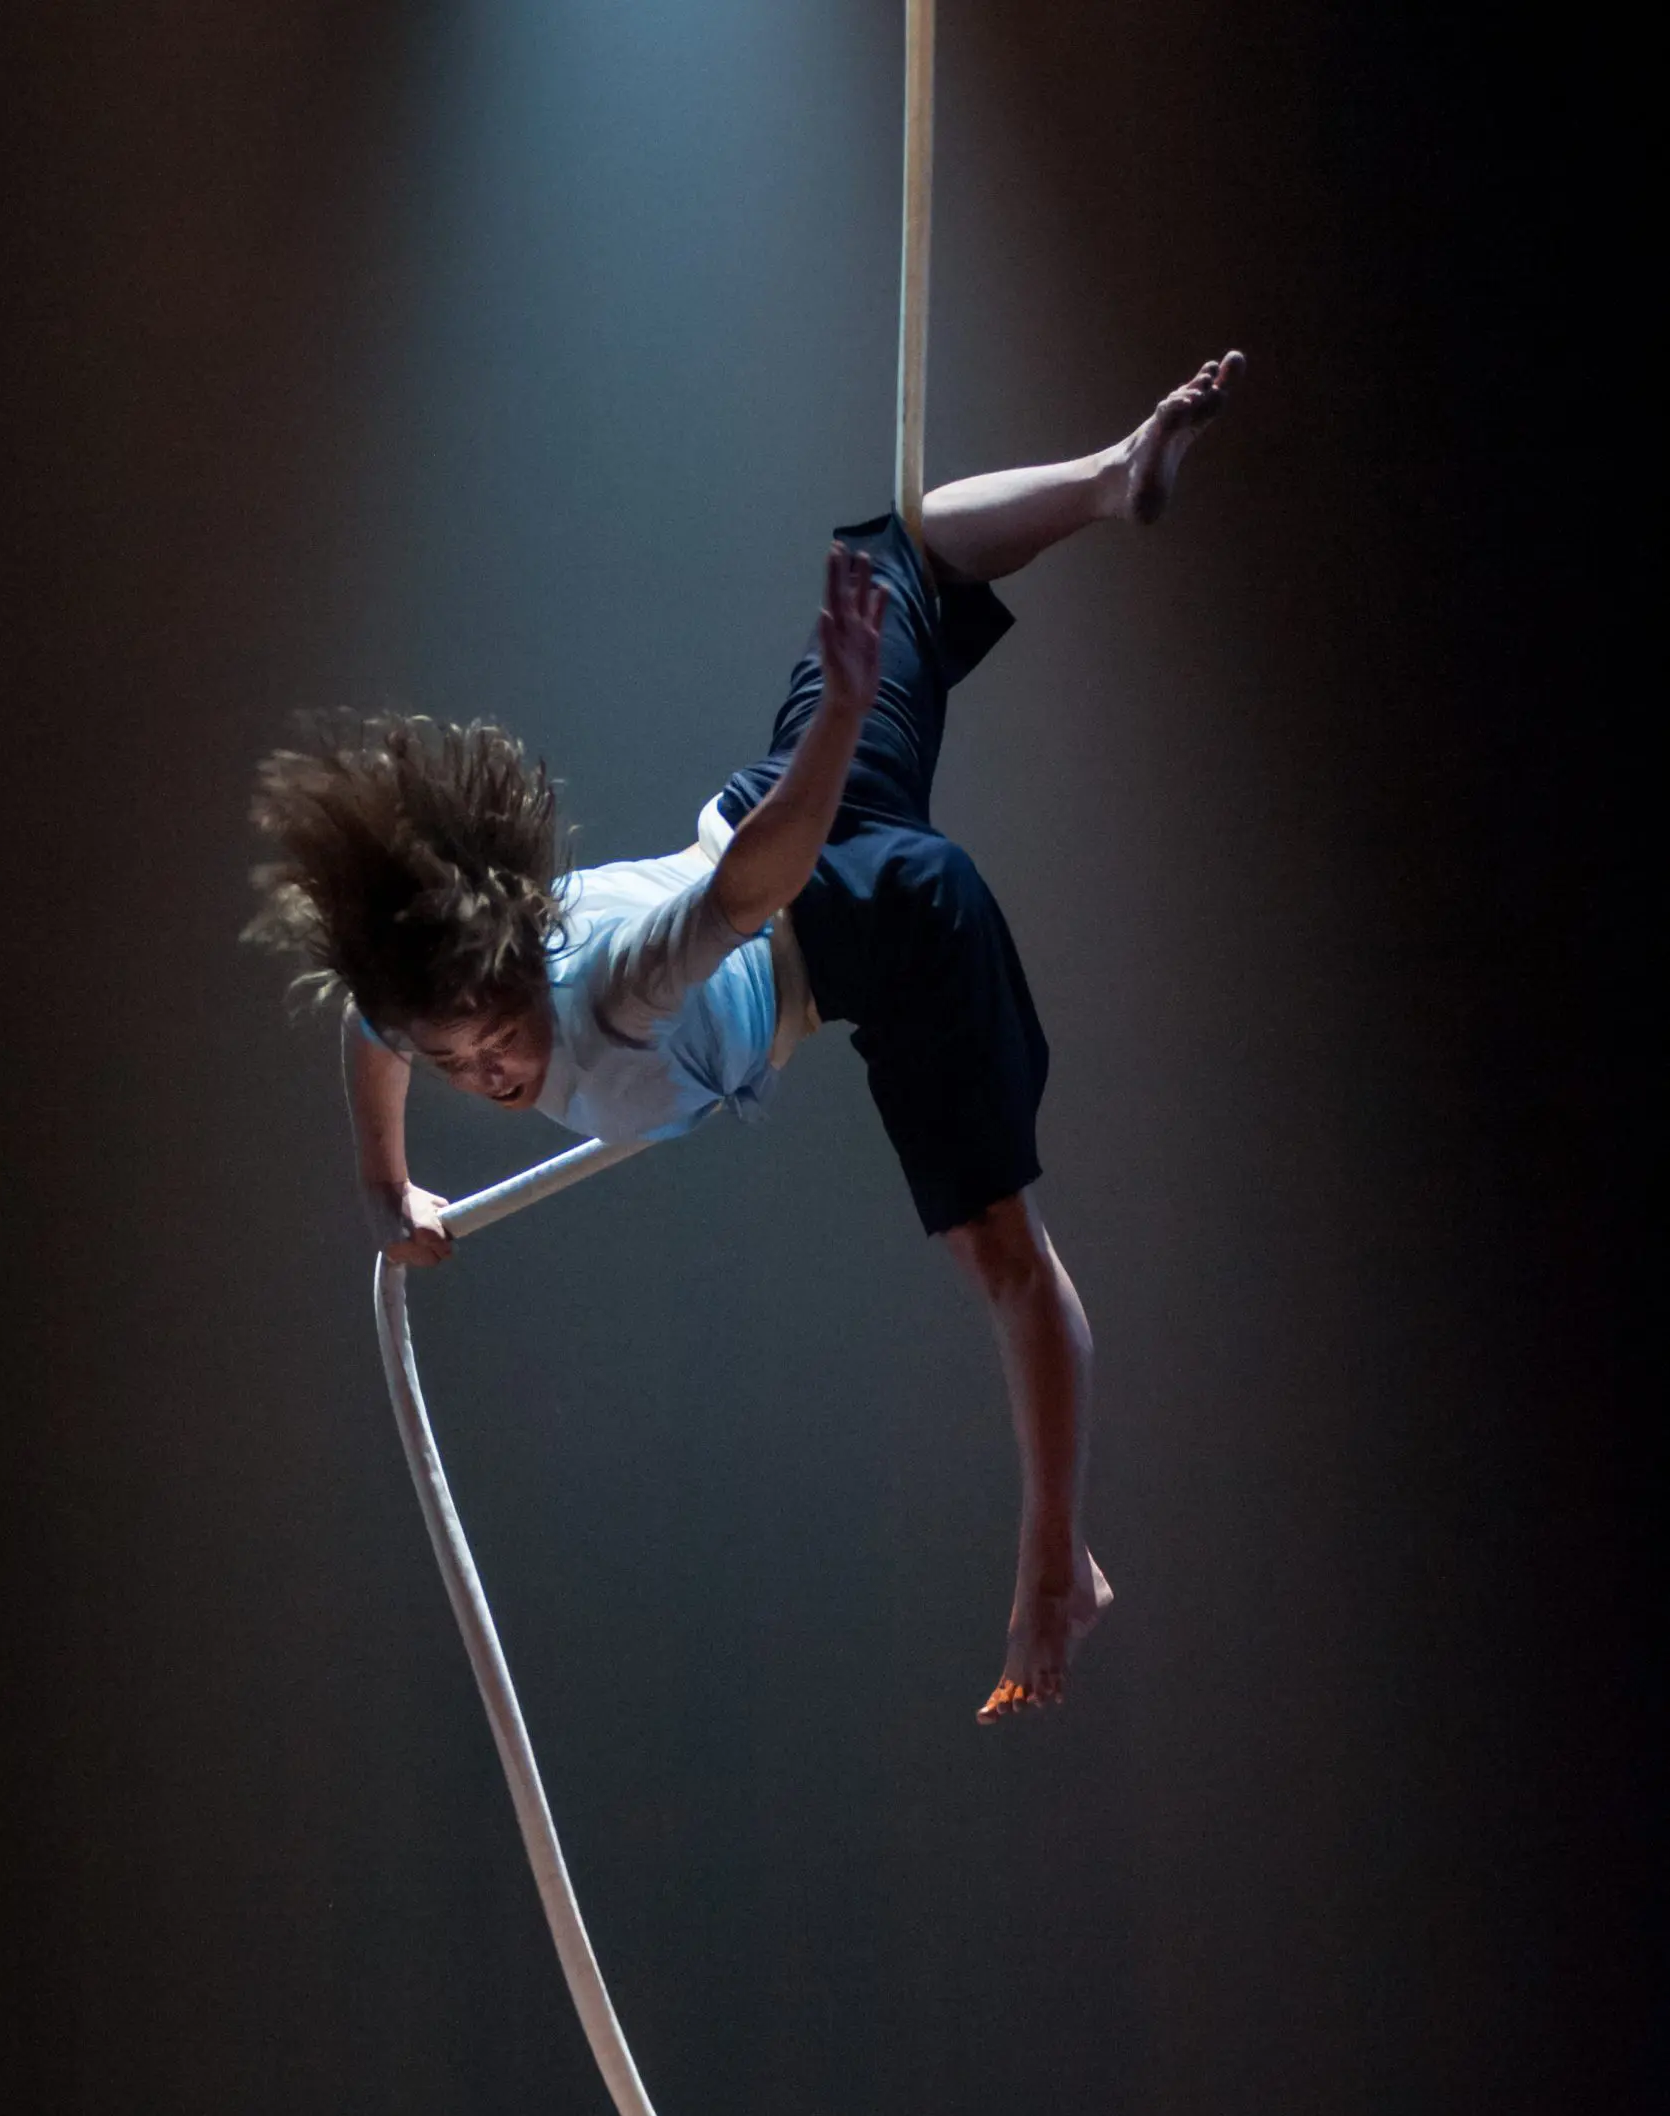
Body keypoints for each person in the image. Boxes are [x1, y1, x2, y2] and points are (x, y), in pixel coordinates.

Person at [248, 354, 1244, 1724]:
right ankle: (1112, 480)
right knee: (906, 554)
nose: (491, 1074)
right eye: (460, 1067)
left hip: (876, 920)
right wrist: (383, 1183)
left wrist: (840, 716)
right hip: (793, 807)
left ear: (529, 981)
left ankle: (1053, 1560)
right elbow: (375, 1027)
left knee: (1005, 1263)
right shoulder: (440, 979)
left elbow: (751, 887)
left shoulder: (608, 992)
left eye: (496, 1045)